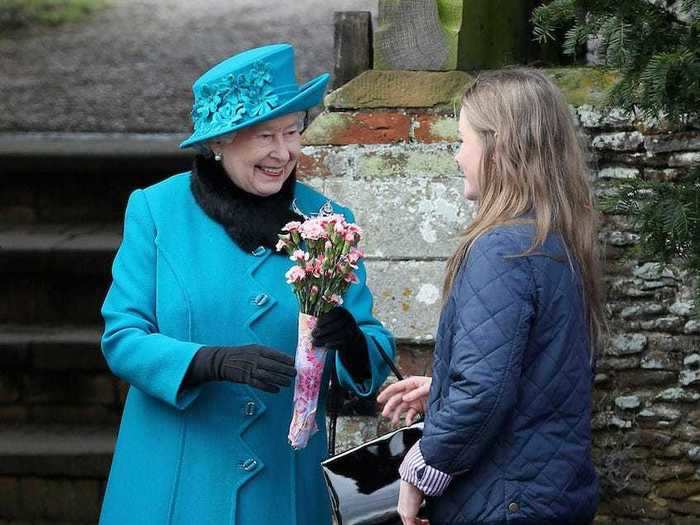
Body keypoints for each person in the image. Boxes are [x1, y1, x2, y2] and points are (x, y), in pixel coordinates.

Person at [98, 43, 395, 525]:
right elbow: (121, 337)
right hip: (177, 483)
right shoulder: (157, 212)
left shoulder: (328, 220)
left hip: (286, 487)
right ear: (219, 141)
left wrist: (354, 345)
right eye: (264, 136)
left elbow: (373, 347)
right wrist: (205, 361)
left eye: (293, 132)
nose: (284, 152)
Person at [377, 68, 603, 525]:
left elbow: (483, 391)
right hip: (550, 493)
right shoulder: (556, 239)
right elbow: (533, 376)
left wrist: (420, 470)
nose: (458, 156)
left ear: (499, 147)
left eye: (463, 140)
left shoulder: (502, 248)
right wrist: (442, 390)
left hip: (504, 501)